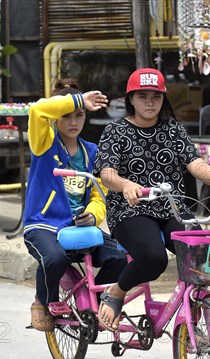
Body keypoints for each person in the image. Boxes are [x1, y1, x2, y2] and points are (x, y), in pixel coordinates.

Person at [94, 68, 210, 331]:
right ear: (131, 99)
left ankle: (195, 312)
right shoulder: (115, 130)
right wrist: (127, 185)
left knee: (203, 257)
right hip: (131, 209)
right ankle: (116, 292)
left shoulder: (173, 129)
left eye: (156, 97)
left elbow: (194, 163)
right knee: (153, 258)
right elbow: (107, 173)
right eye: (143, 96)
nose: (150, 102)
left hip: (172, 207)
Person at [24, 78, 127, 331]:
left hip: (78, 228)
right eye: (66, 115)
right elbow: (37, 110)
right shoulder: (44, 143)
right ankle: (43, 301)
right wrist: (80, 99)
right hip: (43, 225)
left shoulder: (92, 151)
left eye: (79, 115)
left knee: (120, 257)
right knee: (55, 259)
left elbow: (98, 197)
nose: (73, 122)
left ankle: (99, 303)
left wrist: (92, 216)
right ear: (56, 117)